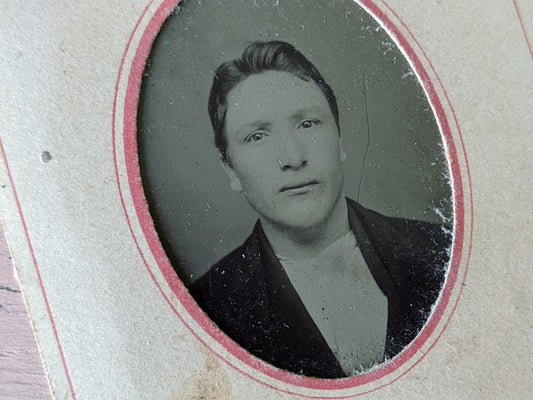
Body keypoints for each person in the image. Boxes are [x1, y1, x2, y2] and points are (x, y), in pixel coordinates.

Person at [190, 41, 451, 379]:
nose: (293, 157)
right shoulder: (206, 309)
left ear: (339, 140)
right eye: (257, 136)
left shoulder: (441, 249)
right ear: (230, 170)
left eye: (308, 124)